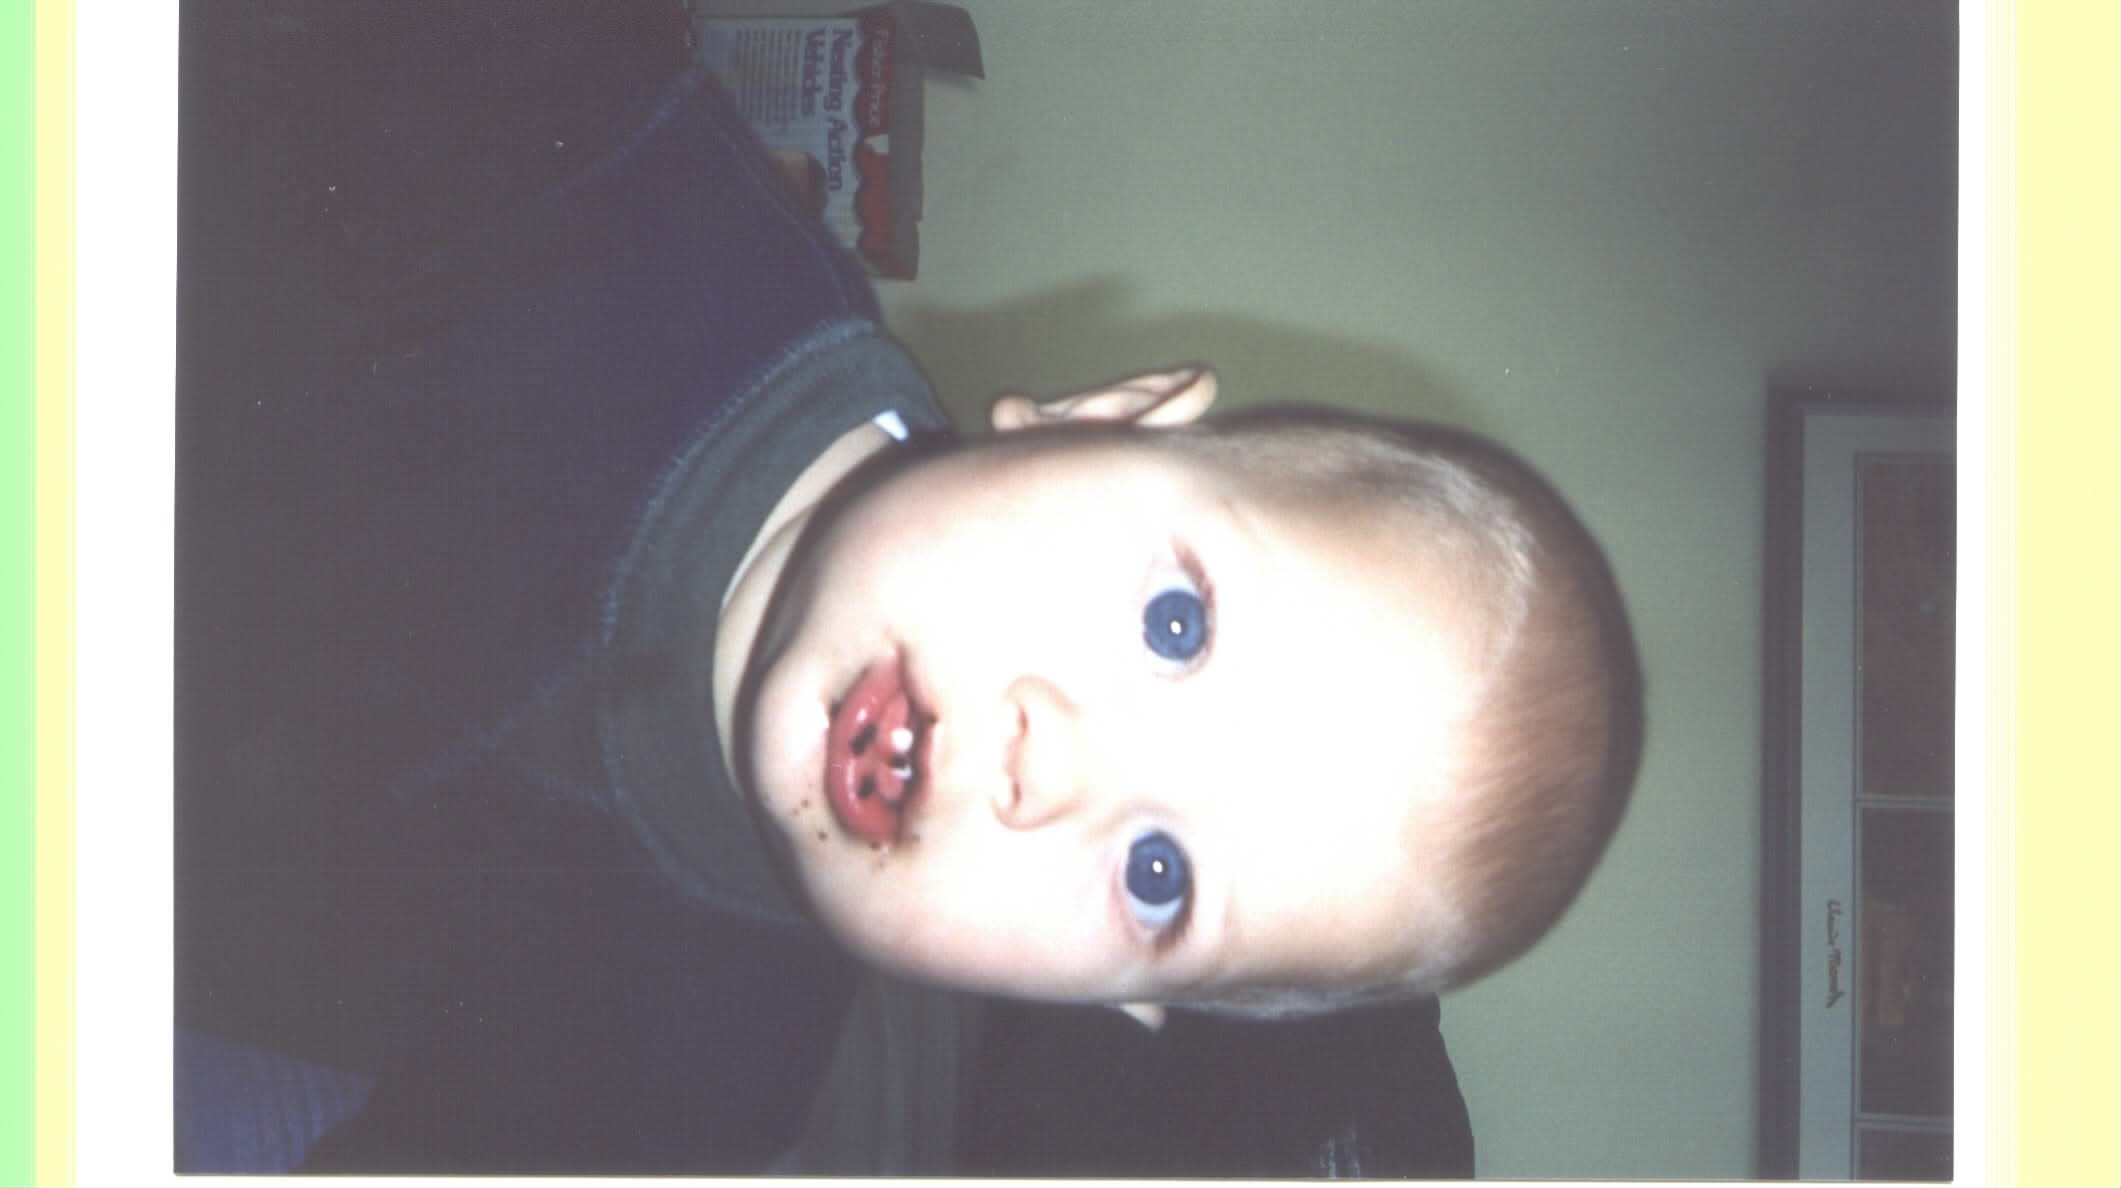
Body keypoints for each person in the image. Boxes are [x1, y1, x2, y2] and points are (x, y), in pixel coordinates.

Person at [174, 0, 1641, 1174]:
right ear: (1104, 418)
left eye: (1158, 878)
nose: (1053, 764)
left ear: (1117, 1006)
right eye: (1174, 625)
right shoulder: (603, 174)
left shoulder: (698, 1100)